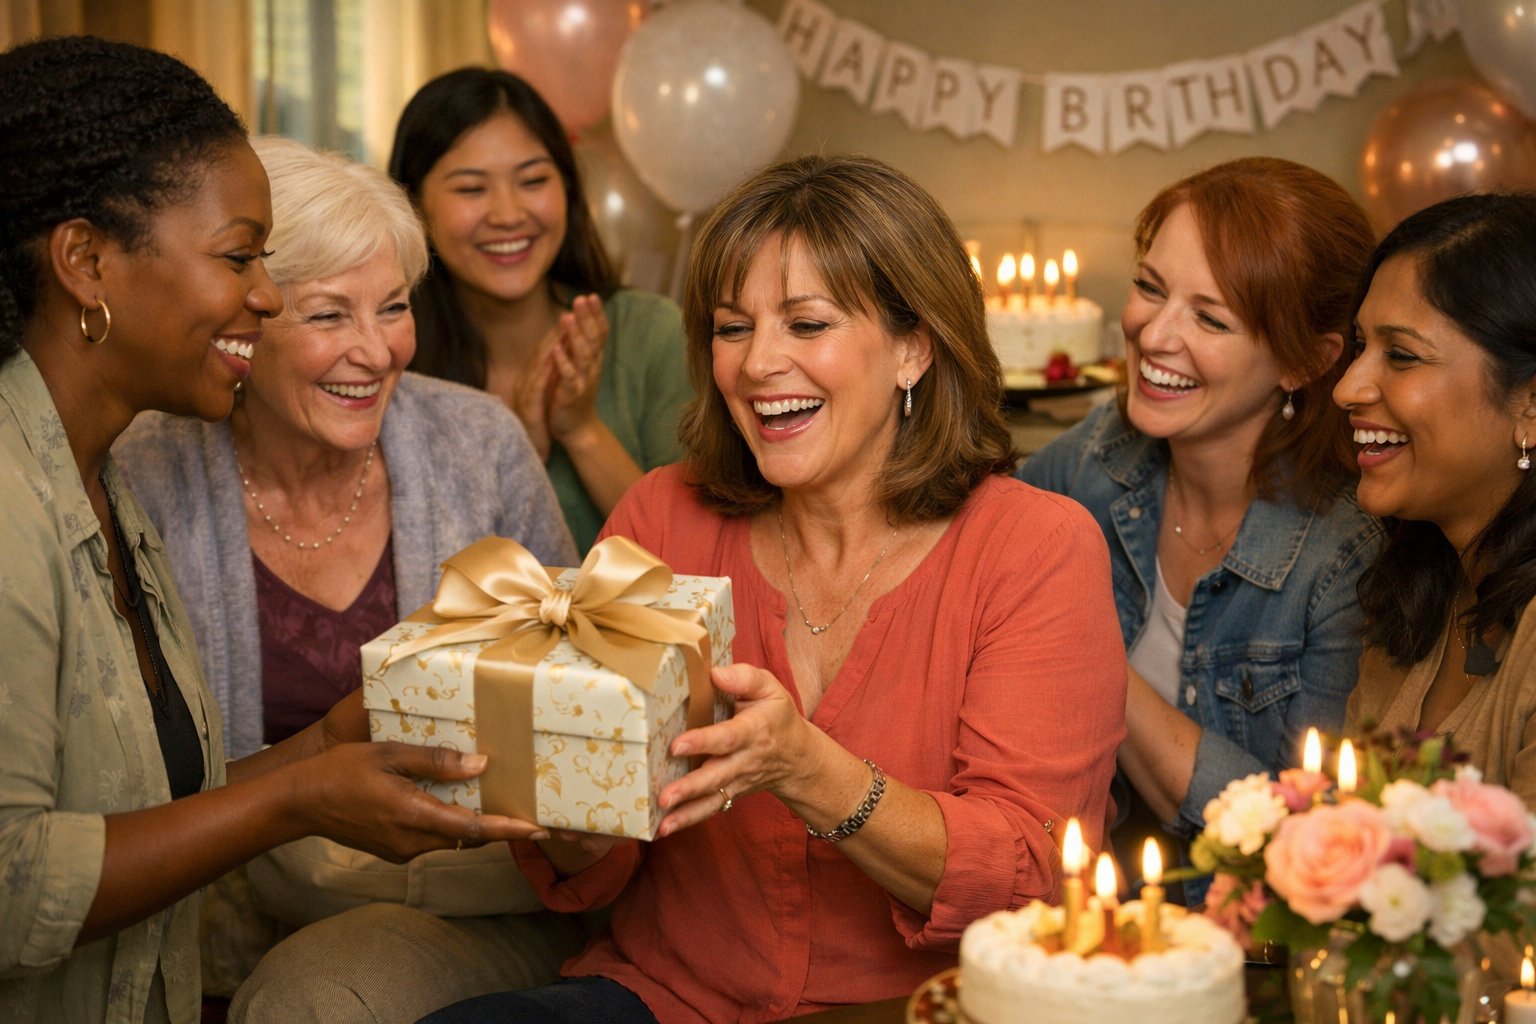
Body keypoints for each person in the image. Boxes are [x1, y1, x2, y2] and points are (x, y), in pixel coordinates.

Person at [424, 155, 1127, 1024]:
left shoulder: (1035, 549)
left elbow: (1030, 874)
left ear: (914, 345)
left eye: (806, 323)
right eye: (731, 328)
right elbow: (595, 862)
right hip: (668, 999)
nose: (758, 364)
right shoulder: (661, 519)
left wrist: (808, 771)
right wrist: (565, 800)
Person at [0, 36, 532, 1022]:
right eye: (240, 258)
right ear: (85, 261)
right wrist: (298, 798)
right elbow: (15, 882)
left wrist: (319, 748)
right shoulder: (26, 496)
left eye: (393, 308)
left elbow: (147, 795)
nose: (265, 294)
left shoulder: (97, 477)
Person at [112, 136, 585, 1020]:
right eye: (330, 315)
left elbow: (574, 701)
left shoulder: (478, 444)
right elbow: (125, 792)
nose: (376, 352)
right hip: (219, 910)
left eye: (394, 308)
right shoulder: (147, 476)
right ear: (245, 322)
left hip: (469, 898)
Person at [1018, 157, 1384, 899]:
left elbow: (1312, 837)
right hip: (1093, 922)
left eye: (1210, 318)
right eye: (1150, 288)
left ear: (1305, 361)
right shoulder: (1099, 454)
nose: (1153, 335)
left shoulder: (1346, 552)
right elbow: (968, 550)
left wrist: (1080, 649)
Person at [389, 67, 692, 554]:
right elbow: (421, 583)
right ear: (415, 207)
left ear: (568, 190)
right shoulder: (393, 360)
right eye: (471, 189)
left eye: (532, 181)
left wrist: (583, 431)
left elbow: (696, 559)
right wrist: (519, 451)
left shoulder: (650, 333)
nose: (508, 214)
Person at [1341, 193, 1536, 805]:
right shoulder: (1419, 585)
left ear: (1530, 403)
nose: (1347, 388)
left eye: (1401, 355)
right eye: (1359, 347)